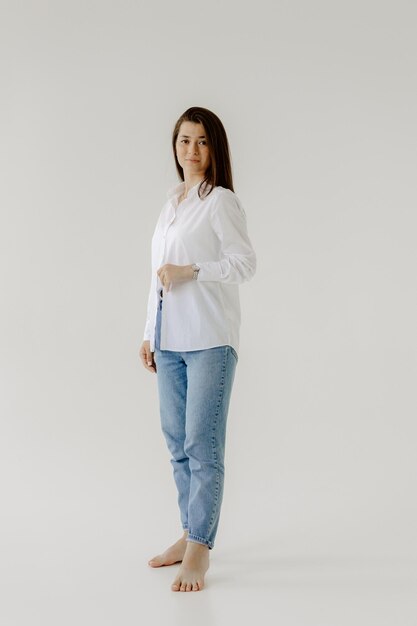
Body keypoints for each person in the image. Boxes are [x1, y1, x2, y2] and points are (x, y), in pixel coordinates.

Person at [139, 106, 256, 592]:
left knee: (201, 447)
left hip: (210, 339)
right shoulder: (172, 205)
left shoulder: (220, 201)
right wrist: (149, 330)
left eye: (202, 142)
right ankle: (189, 533)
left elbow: (245, 263)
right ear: (175, 145)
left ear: (215, 149)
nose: (192, 150)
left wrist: (194, 271)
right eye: (185, 140)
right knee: (176, 445)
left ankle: (200, 550)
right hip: (170, 341)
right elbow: (157, 276)